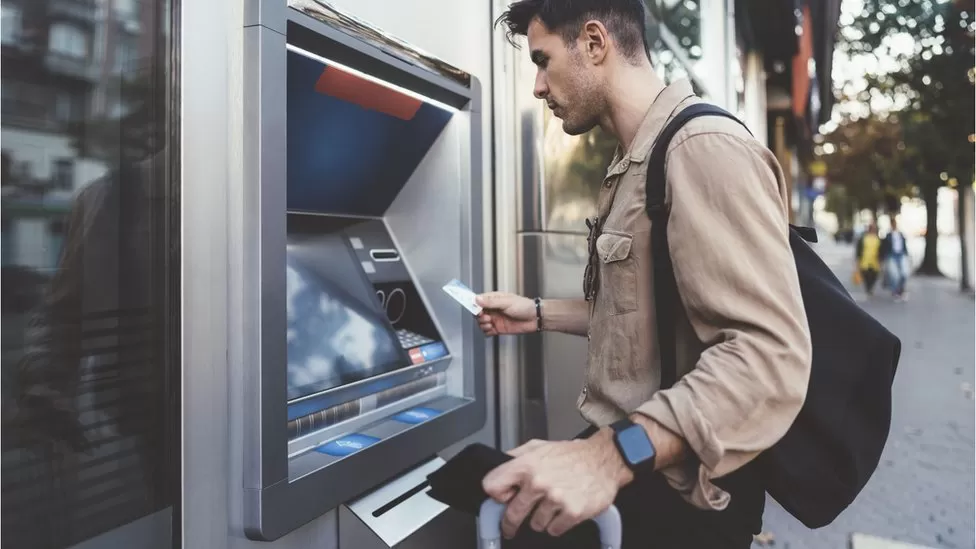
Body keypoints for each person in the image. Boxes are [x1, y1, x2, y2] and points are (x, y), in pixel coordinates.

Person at [476, 1, 813, 547]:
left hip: (680, 492)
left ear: (593, 42)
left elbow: (768, 358)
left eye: (543, 60)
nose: (537, 86)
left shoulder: (703, 148)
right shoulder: (636, 161)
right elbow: (646, 309)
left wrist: (605, 458)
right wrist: (536, 314)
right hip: (637, 466)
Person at [881, 217, 909, 301]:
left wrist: (907, 255)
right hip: (891, 256)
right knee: (895, 275)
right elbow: (884, 248)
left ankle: (901, 290)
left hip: (901, 255)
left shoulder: (900, 234)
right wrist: (883, 259)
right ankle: (895, 291)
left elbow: (904, 245)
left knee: (904, 274)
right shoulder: (888, 235)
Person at [856, 223, 883, 296]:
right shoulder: (863, 238)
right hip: (865, 261)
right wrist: (858, 261)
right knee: (866, 275)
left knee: (875, 275)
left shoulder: (878, 239)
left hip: (875, 262)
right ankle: (868, 288)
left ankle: (870, 287)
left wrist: (880, 260)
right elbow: (859, 250)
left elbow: (881, 250)